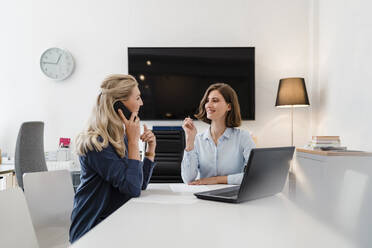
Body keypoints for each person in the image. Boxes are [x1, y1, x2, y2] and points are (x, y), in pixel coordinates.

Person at [69, 74, 156, 243]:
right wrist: (133, 142)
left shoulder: (118, 138)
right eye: (137, 98)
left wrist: (150, 151)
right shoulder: (96, 143)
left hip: (112, 223)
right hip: (91, 230)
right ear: (118, 104)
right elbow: (133, 189)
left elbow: (139, 184)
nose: (141, 103)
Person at [181, 83, 255, 185]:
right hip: (203, 197)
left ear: (228, 106)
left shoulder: (243, 137)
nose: (208, 105)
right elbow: (188, 180)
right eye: (207, 101)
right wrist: (190, 139)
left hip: (232, 195)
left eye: (215, 100)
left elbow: (254, 175)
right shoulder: (197, 139)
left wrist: (216, 180)